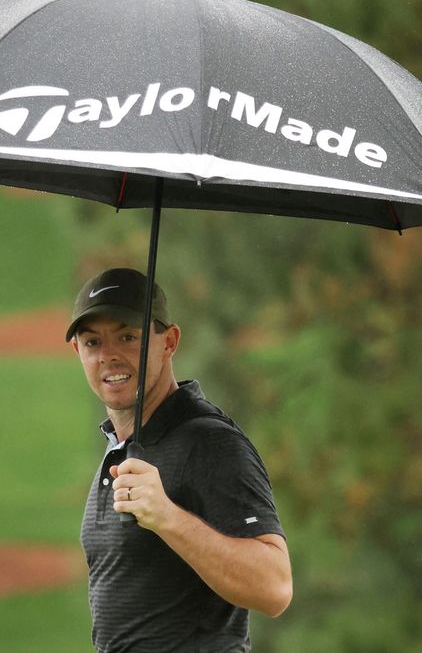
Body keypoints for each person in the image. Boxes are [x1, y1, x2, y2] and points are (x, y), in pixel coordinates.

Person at [66, 268, 292, 652]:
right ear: (78, 352)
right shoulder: (121, 445)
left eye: (127, 337)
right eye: (92, 342)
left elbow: (274, 587)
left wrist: (168, 518)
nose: (109, 356)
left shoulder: (209, 442)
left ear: (169, 342)